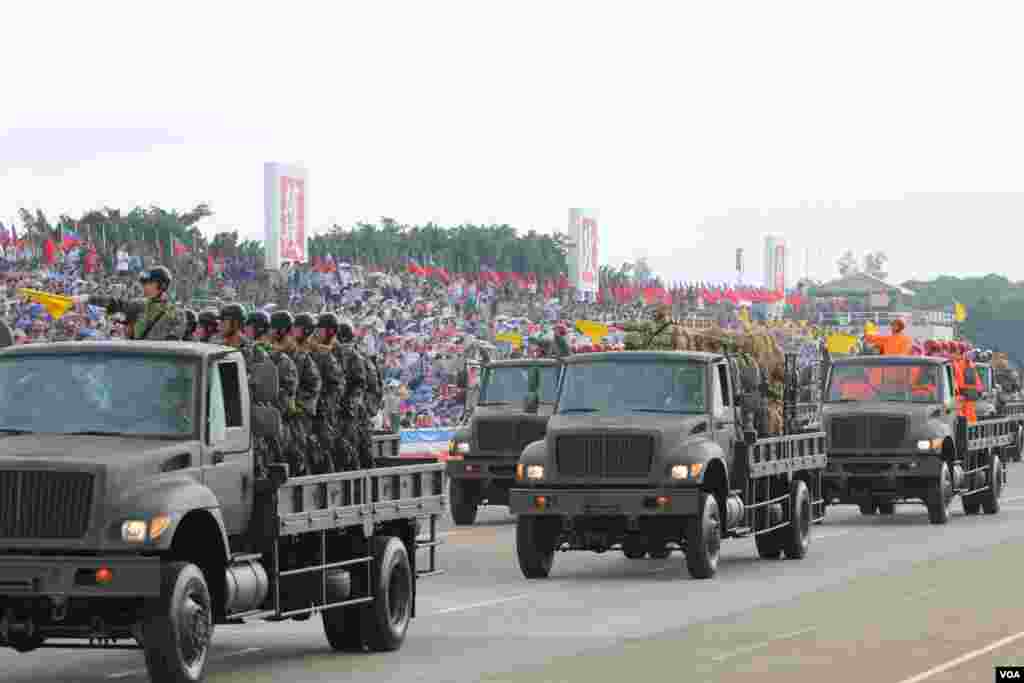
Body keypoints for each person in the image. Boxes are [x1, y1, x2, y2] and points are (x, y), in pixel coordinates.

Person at [270, 311, 323, 474]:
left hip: (297, 414)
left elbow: (315, 384)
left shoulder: (301, 357)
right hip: (277, 411)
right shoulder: (272, 354)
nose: (270, 331)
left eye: (273, 328)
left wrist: (297, 404)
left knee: (297, 452)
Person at [247, 310, 299, 472]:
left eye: (249, 327)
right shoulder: (246, 352)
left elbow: (289, 390)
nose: (245, 330)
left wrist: (271, 408)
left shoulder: (279, 359)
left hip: (271, 417)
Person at [76, 266, 185, 340]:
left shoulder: (176, 313)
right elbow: (116, 303)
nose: (144, 286)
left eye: (149, 283)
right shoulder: (140, 304)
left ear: (162, 285)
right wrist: (89, 298)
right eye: (144, 283)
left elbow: (174, 345)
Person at [295, 312, 343, 472]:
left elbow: (337, 385)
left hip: (323, 411)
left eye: (321, 329)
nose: (317, 333)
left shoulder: (329, 354)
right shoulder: (303, 352)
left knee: (324, 447)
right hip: (306, 408)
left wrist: (324, 405)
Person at [316, 312, 360, 470]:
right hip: (326, 407)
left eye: (321, 330)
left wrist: (349, 404)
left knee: (344, 448)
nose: (317, 333)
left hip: (342, 409)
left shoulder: (344, 354)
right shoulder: (319, 350)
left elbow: (354, 384)